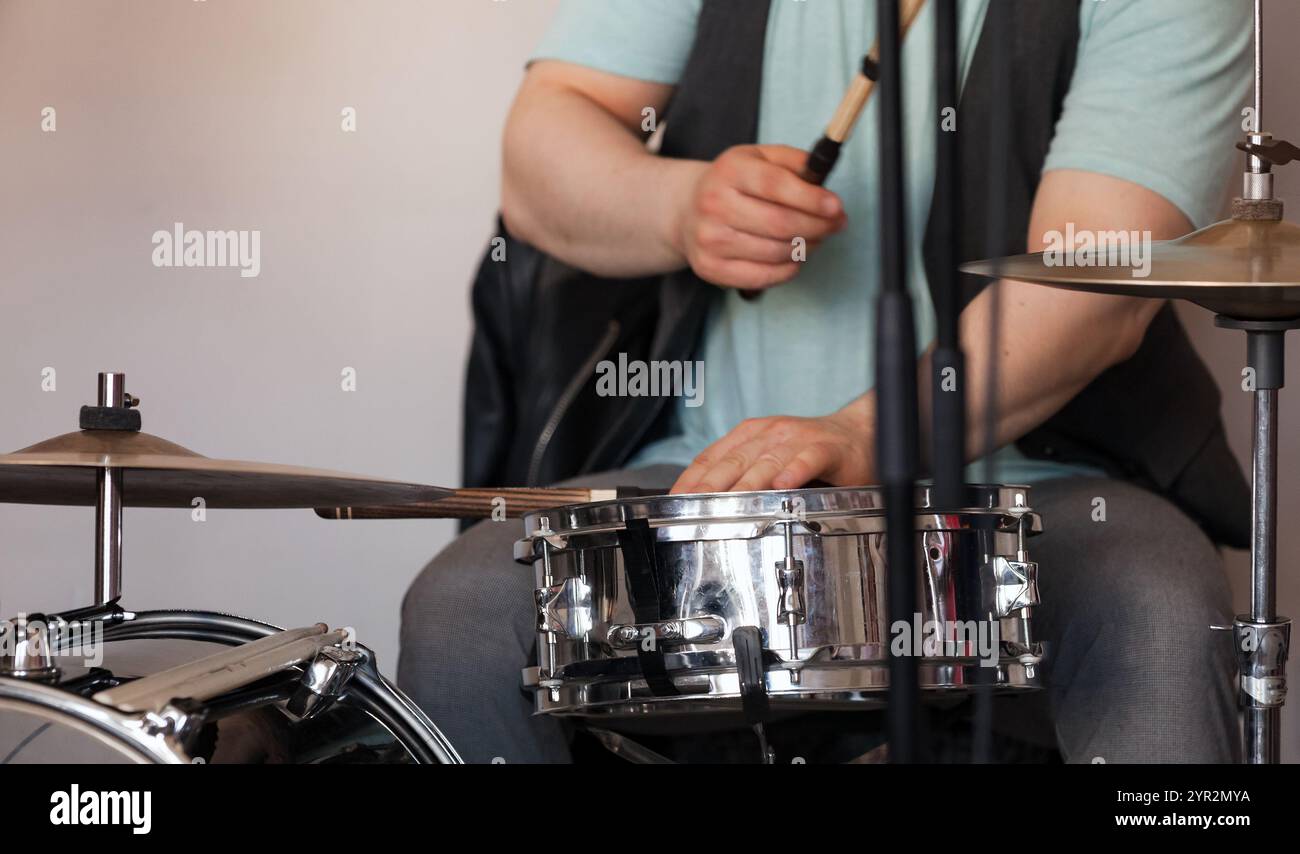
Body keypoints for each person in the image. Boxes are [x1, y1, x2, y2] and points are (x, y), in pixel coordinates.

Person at [400, 0, 1252, 763]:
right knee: (467, 612)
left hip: (1049, 487)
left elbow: (1094, 282)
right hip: (707, 471)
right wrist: (681, 206)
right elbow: (538, 154)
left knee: (1163, 618)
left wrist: (865, 436)